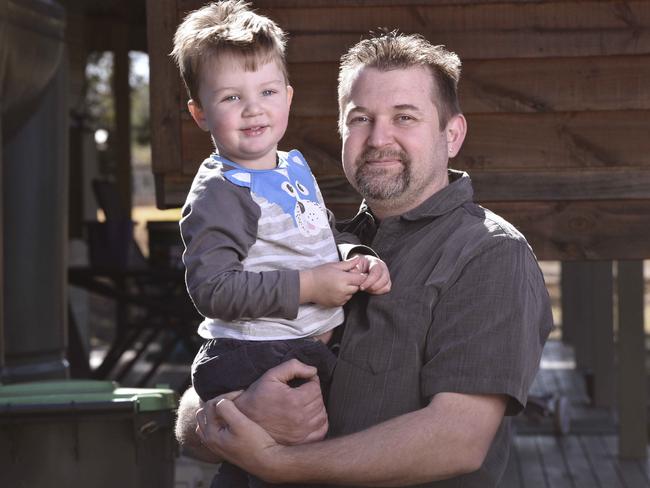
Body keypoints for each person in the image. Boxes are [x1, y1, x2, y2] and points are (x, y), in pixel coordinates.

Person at [178, 30, 553, 487]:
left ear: (451, 134)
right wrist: (237, 409)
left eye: (405, 117)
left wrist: (277, 462)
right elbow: (194, 409)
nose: (378, 138)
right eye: (360, 119)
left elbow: (457, 440)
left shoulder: (490, 254)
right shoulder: (312, 241)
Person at [171, 3, 391, 486]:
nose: (253, 109)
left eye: (267, 91)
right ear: (200, 113)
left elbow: (320, 232)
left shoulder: (291, 166)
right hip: (255, 354)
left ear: (288, 97)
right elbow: (214, 289)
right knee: (289, 459)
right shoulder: (221, 193)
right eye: (230, 97)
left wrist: (355, 257)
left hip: (296, 344)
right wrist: (310, 286)